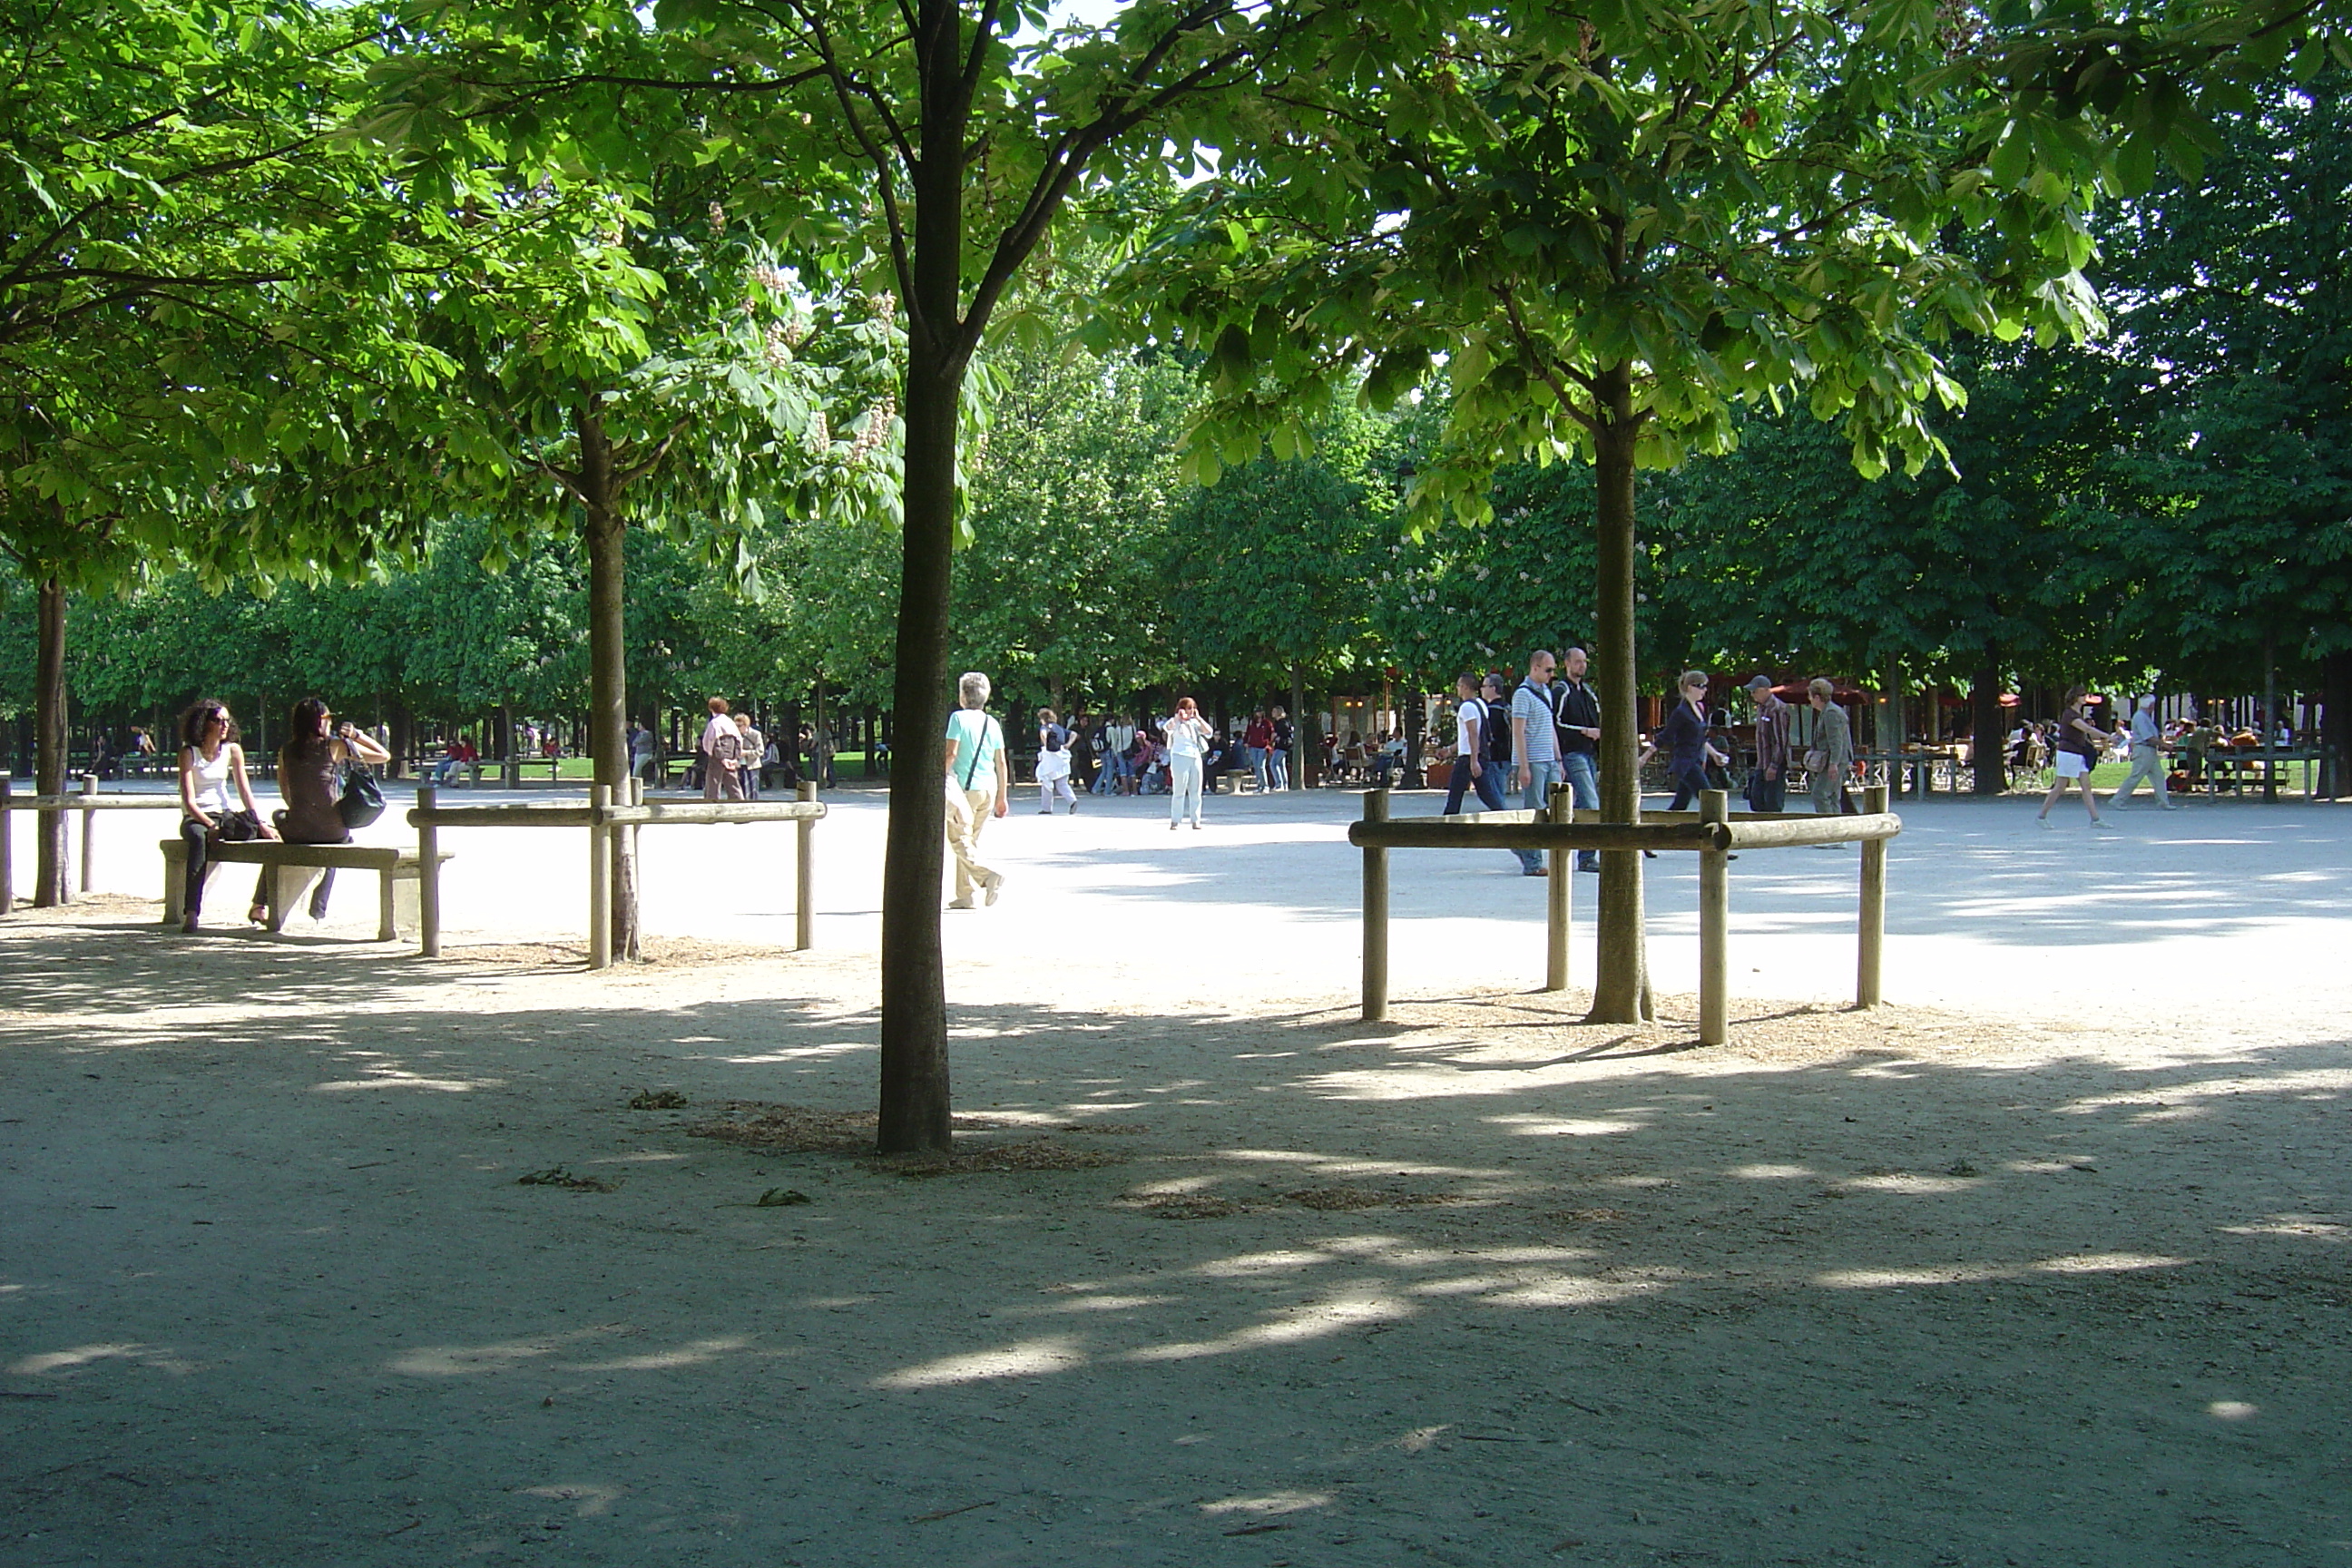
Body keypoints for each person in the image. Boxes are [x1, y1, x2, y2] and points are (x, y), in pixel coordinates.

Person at [267, 698, 393, 924]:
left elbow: (286, 793)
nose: (330, 721)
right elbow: (383, 756)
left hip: (296, 831)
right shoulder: (334, 746)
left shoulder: (286, 750)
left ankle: (261, 903)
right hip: (331, 832)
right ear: (318, 721)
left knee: (277, 816)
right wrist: (356, 735)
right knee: (340, 838)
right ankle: (319, 907)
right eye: (327, 717)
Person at [175, 700, 278, 933]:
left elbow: (244, 791)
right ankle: (192, 912)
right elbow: (189, 801)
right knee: (199, 841)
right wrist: (210, 824)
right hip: (197, 817)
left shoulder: (232, 750)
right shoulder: (189, 753)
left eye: (226, 721)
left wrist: (259, 822)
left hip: (225, 814)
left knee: (271, 839)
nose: (224, 725)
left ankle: (259, 904)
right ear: (203, 723)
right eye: (217, 720)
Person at [944, 671, 1008, 907]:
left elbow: (951, 753)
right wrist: (1002, 796)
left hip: (964, 791)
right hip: (987, 789)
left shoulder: (958, 719)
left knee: (959, 839)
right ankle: (965, 895)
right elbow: (1000, 761)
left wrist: (937, 776)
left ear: (963, 695)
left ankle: (987, 877)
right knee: (970, 842)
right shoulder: (992, 722)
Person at [1509, 648, 1563, 876]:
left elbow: (1550, 727)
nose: (1551, 674)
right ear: (1535, 668)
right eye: (1548, 670)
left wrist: (1558, 758)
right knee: (1535, 811)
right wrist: (1523, 766)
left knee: (1553, 810)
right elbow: (1518, 732)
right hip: (1533, 761)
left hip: (1548, 760)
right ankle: (1532, 862)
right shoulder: (1522, 694)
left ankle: (1523, 846)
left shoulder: (1545, 692)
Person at [1553, 647, 1603, 873]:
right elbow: (1556, 723)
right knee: (1591, 803)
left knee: (1583, 803)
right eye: (1577, 662)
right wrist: (1583, 731)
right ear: (1567, 664)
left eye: (1584, 661)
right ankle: (1586, 857)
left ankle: (1577, 844)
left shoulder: (1588, 692)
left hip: (1589, 753)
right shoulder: (1561, 691)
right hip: (1572, 753)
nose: (1582, 666)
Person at [2038, 685, 2116, 830]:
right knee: (2060, 787)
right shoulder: (2069, 714)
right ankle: (2041, 816)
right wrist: (2108, 736)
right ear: (2075, 698)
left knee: (2086, 786)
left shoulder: (2076, 714)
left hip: (2077, 754)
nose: (2085, 697)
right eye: (2082, 695)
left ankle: (2095, 819)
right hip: (2068, 753)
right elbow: (2086, 729)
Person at [1660, 671, 1730, 810]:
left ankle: (1662, 830)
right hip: (1686, 763)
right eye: (1702, 686)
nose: (1705, 690)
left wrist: (1715, 754)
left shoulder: (1698, 708)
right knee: (1710, 800)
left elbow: (1701, 738)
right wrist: (1644, 757)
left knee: (1680, 805)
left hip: (1694, 760)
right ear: (1691, 688)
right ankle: (1717, 830)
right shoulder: (1681, 711)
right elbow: (1666, 735)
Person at [1442, 672, 1506, 815]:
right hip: (1479, 755)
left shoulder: (1466, 707)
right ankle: (1505, 816)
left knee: (1454, 797)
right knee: (1489, 795)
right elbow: (1469, 736)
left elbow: (1473, 733)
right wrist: (1450, 749)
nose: (1457, 689)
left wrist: (1473, 761)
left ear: (1465, 687)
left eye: (1458, 685)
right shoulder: (1481, 704)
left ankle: (1446, 827)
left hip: (1468, 757)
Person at [2107, 693, 2176, 810]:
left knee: (2158, 776)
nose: (2153, 707)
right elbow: (2147, 736)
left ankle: (2163, 802)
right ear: (2149, 705)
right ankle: (2117, 800)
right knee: (2136, 776)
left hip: (2150, 750)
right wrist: (2164, 745)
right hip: (2144, 750)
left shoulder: (2145, 717)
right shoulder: (2140, 717)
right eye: (2152, 705)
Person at [1803, 678, 1857, 820]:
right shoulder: (1828, 711)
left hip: (1833, 760)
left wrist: (1834, 763)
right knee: (1833, 796)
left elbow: (1836, 741)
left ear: (1817, 697)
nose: (1809, 700)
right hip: (1834, 759)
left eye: (1810, 696)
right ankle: (1837, 833)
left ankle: (1829, 830)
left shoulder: (1831, 713)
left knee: (1820, 794)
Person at [1161, 698, 1212, 828]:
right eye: (1188, 708)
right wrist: (1178, 718)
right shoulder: (1175, 722)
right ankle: (1175, 820)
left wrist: (1199, 718)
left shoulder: (1195, 723)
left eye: (1192, 708)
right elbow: (1166, 727)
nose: (1190, 711)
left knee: (1196, 791)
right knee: (1179, 790)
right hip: (1179, 756)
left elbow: (1209, 732)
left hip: (1195, 757)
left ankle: (1196, 820)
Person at [1746, 675, 1792, 813]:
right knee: (1756, 798)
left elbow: (1780, 740)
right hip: (1762, 762)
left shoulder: (1777, 708)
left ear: (1766, 690)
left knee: (1773, 802)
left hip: (1774, 763)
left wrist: (1774, 765)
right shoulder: (1761, 708)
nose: (1752, 694)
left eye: (1755, 691)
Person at [700, 697, 744, 802]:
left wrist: (721, 757)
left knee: (713, 783)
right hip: (731, 754)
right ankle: (739, 804)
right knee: (733, 783)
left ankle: (711, 806)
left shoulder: (714, 723)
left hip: (717, 756)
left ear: (711, 708)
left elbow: (712, 741)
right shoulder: (730, 722)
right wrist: (735, 758)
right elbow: (738, 740)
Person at [1034, 707, 1076, 815]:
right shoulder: (1059, 728)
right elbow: (1074, 734)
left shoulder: (1044, 727)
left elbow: (1043, 734)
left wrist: (1046, 744)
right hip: (1062, 754)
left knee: (1045, 779)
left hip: (1050, 756)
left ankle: (1047, 808)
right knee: (1062, 783)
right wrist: (1068, 744)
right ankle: (1072, 800)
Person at [735, 712, 765, 800]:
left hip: (752, 765)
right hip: (740, 765)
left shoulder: (755, 734)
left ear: (745, 725)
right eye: (736, 725)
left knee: (753, 789)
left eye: (739, 725)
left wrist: (746, 753)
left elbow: (760, 751)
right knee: (742, 788)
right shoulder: (735, 735)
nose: (737, 728)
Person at [1244, 710, 1274, 792]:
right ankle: (1259, 786)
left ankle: (1265, 786)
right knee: (1256, 767)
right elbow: (1248, 733)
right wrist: (1245, 742)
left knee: (1261, 766)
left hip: (1263, 747)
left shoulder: (1267, 723)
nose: (1258, 713)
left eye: (1260, 712)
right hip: (1253, 747)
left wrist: (1269, 744)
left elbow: (1271, 734)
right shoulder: (1252, 723)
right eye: (1257, 712)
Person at [1269, 706, 1293, 790]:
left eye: (1274, 711)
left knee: (1273, 763)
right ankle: (1284, 785)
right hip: (1282, 745)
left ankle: (1279, 784)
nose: (1272, 713)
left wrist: (1276, 737)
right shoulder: (1281, 722)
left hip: (1282, 745)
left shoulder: (1282, 723)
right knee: (1281, 765)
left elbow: (1283, 733)